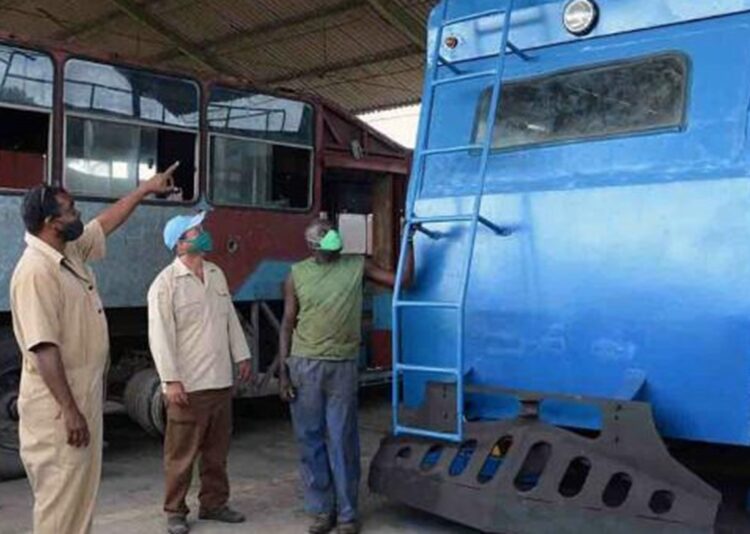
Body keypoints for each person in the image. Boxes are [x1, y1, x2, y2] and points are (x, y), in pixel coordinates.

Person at [9, 163, 180, 534]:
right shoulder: (36, 271)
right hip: (57, 414)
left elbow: (104, 224)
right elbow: (43, 350)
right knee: (61, 511)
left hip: (79, 402)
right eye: (71, 211)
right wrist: (70, 412)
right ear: (51, 222)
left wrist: (144, 189)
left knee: (77, 504)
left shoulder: (67, 250)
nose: (78, 214)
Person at [278, 219, 415, 534]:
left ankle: (347, 515)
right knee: (309, 440)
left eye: (332, 229)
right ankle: (322, 510)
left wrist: (410, 240)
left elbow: (403, 281)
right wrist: (284, 372)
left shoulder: (358, 265)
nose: (334, 235)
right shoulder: (296, 274)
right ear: (313, 245)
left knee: (342, 439)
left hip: (342, 365)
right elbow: (287, 323)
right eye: (325, 233)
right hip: (304, 365)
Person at [147, 211, 253, 534]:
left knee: (216, 452)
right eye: (197, 231)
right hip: (188, 386)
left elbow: (229, 318)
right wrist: (171, 380)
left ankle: (214, 503)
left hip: (220, 380)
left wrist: (242, 354)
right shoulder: (164, 285)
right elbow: (160, 337)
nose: (204, 234)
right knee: (181, 454)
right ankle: (175, 511)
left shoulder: (215, 274)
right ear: (180, 244)